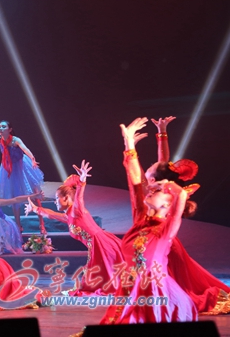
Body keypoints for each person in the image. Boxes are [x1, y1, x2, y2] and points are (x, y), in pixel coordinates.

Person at [100, 117, 198, 324]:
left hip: (154, 291)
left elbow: (180, 194)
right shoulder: (141, 218)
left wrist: (167, 185)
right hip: (131, 288)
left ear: (167, 204)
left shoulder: (165, 230)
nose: (151, 188)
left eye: (157, 190)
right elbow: (134, 178)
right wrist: (128, 143)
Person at [144, 116, 230, 315]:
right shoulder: (154, 189)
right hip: (156, 240)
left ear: (155, 178)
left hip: (162, 242)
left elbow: (163, 162)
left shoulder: (162, 193)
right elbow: (163, 162)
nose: (150, 166)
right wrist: (161, 132)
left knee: (178, 286)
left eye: (151, 168)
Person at [25, 161, 124, 295]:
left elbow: (79, 198)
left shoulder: (77, 210)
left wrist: (82, 181)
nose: (55, 202)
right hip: (95, 246)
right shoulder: (69, 216)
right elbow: (51, 214)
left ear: (66, 198)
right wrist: (35, 209)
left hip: (102, 244)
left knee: (111, 274)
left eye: (57, 198)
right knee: (97, 276)